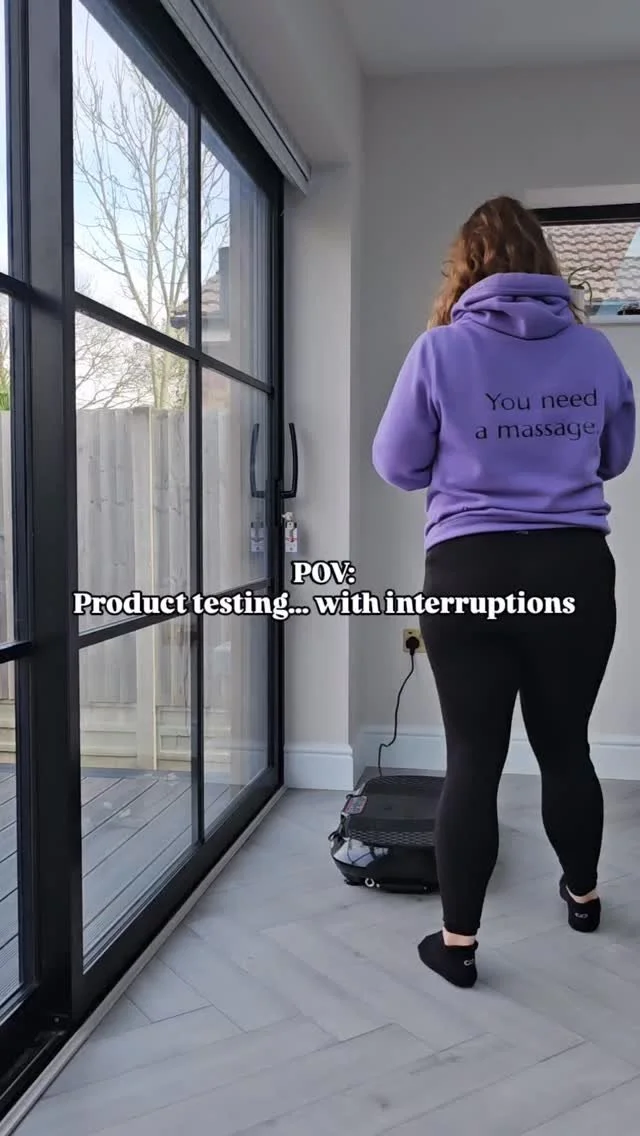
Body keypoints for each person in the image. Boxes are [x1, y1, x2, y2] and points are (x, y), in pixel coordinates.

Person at [371, 196, 636, 989]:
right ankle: (583, 898)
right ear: (546, 264)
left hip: (470, 571)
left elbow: (396, 465)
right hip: (571, 570)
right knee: (566, 747)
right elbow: (614, 457)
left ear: (466, 265)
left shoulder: (440, 350)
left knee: (473, 759)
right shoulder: (594, 351)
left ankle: (458, 945)